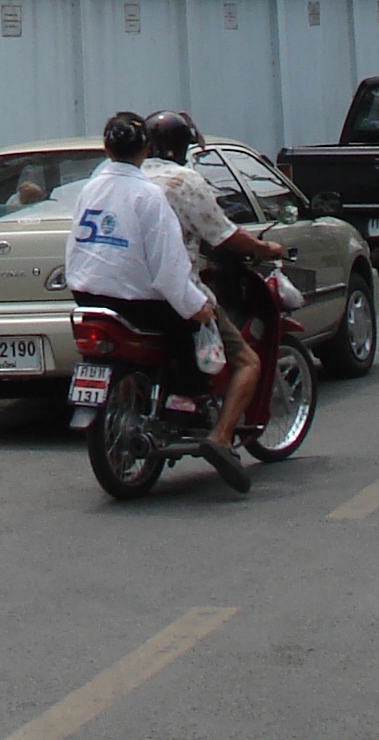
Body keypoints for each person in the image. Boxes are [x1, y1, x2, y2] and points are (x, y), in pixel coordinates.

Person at [64, 108, 250, 494]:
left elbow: (75, 249)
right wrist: (197, 308)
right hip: (137, 302)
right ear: (145, 148)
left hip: (87, 294)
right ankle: (190, 405)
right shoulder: (148, 196)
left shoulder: (90, 188)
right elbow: (170, 271)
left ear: (105, 147)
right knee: (196, 329)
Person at [141, 111, 289, 480]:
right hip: (176, 290)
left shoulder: (129, 179)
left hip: (123, 289)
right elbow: (224, 235)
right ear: (183, 147)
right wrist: (264, 248)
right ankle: (220, 439)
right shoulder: (184, 181)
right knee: (247, 362)